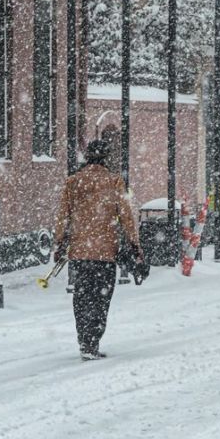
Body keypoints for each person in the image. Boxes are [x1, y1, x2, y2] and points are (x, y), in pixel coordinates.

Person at [54, 139, 143, 361]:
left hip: (79, 251)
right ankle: (93, 339)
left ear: (87, 157)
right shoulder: (113, 182)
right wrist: (134, 243)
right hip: (106, 252)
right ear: (105, 157)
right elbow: (126, 216)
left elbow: (62, 215)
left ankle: (84, 339)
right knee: (101, 298)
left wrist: (61, 242)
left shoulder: (73, 182)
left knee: (82, 297)